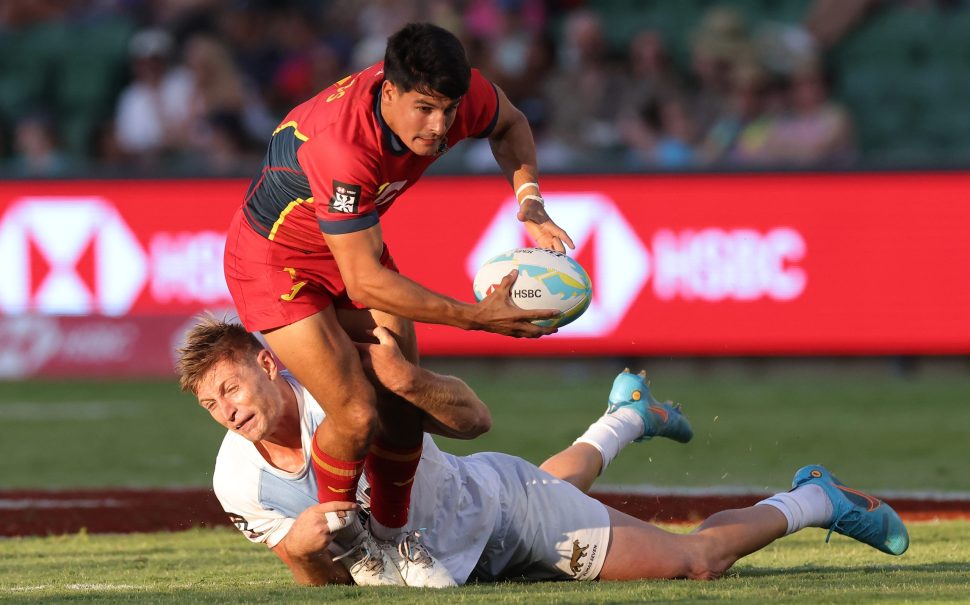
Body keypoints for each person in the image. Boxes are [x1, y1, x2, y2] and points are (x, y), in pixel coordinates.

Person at [176, 316, 910, 588]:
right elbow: (315, 580)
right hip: (462, 521)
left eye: (231, 386)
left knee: (694, 560)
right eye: (210, 403)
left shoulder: (343, 398)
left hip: (507, 513)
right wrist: (306, 552)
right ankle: (625, 416)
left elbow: (459, 410)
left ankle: (819, 497)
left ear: (268, 364)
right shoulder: (235, 478)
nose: (227, 411)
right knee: (531, 482)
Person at [221, 22, 574, 585]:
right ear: (389, 91)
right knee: (357, 412)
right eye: (424, 109)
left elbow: (511, 123)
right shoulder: (343, 146)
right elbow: (363, 285)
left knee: (403, 393)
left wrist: (528, 199)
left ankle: (391, 538)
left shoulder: (462, 97)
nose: (439, 128)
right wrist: (478, 317)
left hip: (350, 247)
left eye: (450, 110)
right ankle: (350, 541)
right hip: (275, 266)